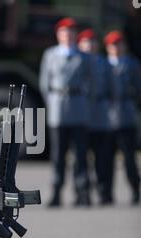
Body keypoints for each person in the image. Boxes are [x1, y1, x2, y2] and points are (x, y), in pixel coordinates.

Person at [40, 18, 94, 207]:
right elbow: (44, 83)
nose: (68, 35)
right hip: (58, 108)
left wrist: (87, 103)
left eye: (71, 31)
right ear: (58, 34)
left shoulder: (84, 57)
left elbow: (92, 83)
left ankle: (82, 192)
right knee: (58, 154)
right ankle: (56, 191)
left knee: (80, 154)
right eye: (64, 31)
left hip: (79, 107)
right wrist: (52, 103)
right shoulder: (50, 55)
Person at [104, 31, 141, 205]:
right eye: (112, 45)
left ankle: (135, 189)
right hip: (107, 118)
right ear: (108, 47)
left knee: (129, 158)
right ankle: (106, 193)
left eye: (119, 44)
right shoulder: (103, 65)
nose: (116, 48)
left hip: (127, 116)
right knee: (106, 159)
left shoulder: (132, 64)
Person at [78, 29, 113, 205]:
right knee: (81, 159)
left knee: (103, 158)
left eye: (92, 42)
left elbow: (112, 89)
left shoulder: (104, 64)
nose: (89, 45)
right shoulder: (77, 60)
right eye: (85, 42)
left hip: (100, 114)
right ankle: (82, 194)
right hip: (81, 115)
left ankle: (104, 192)